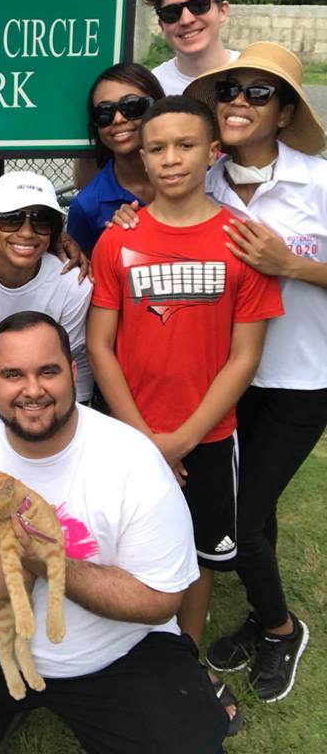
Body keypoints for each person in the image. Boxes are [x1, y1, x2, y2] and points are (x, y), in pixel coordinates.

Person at [0, 311, 229, 754]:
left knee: (192, 745)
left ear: (73, 372)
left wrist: (49, 563)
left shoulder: (133, 460)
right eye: (13, 374)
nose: (33, 389)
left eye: (48, 372)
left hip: (111, 655)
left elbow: (161, 599)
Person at [86, 95, 284, 726]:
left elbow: (245, 356)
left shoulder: (241, 242)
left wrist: (180, 441)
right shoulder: (119, 240)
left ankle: (184, 656)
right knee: (121, 547)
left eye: (185, 145)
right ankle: (119, 653)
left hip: (207, 436)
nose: (170, 159)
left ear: (212, 152)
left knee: (198, 556)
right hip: (128, 435)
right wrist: (146, 441)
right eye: (157, 148)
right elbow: (100, 343)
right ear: (141, 158)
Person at [182, 42, 327, 701]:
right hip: (228, 379)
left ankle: (279, 627)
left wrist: (290, 264)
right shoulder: (205, 182)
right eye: (228, 90)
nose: (237, 102)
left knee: (239, 521)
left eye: (257, 92)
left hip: (301, 381)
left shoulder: (316, 182)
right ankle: (260, 615)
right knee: (254, 513)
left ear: (285, 111)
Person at [0, 170, 93, 409]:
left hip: (63, 395)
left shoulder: (72, 284)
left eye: (41, 220)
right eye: (11, 218)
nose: (27, 232)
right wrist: (9, 419)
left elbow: (57, 370)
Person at [67, 63, 164, 253]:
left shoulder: (199, 178)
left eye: (132, 106)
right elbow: (82, 267)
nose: (118, 119)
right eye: (104, 113)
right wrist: (116, 236)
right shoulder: (87, 204)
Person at [143, 0, 239, 95]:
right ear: (162, 25)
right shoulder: (151, 90)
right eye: (172, 12)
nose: (186, 20)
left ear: (222, 11)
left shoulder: (257, 75)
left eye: (199, 5)